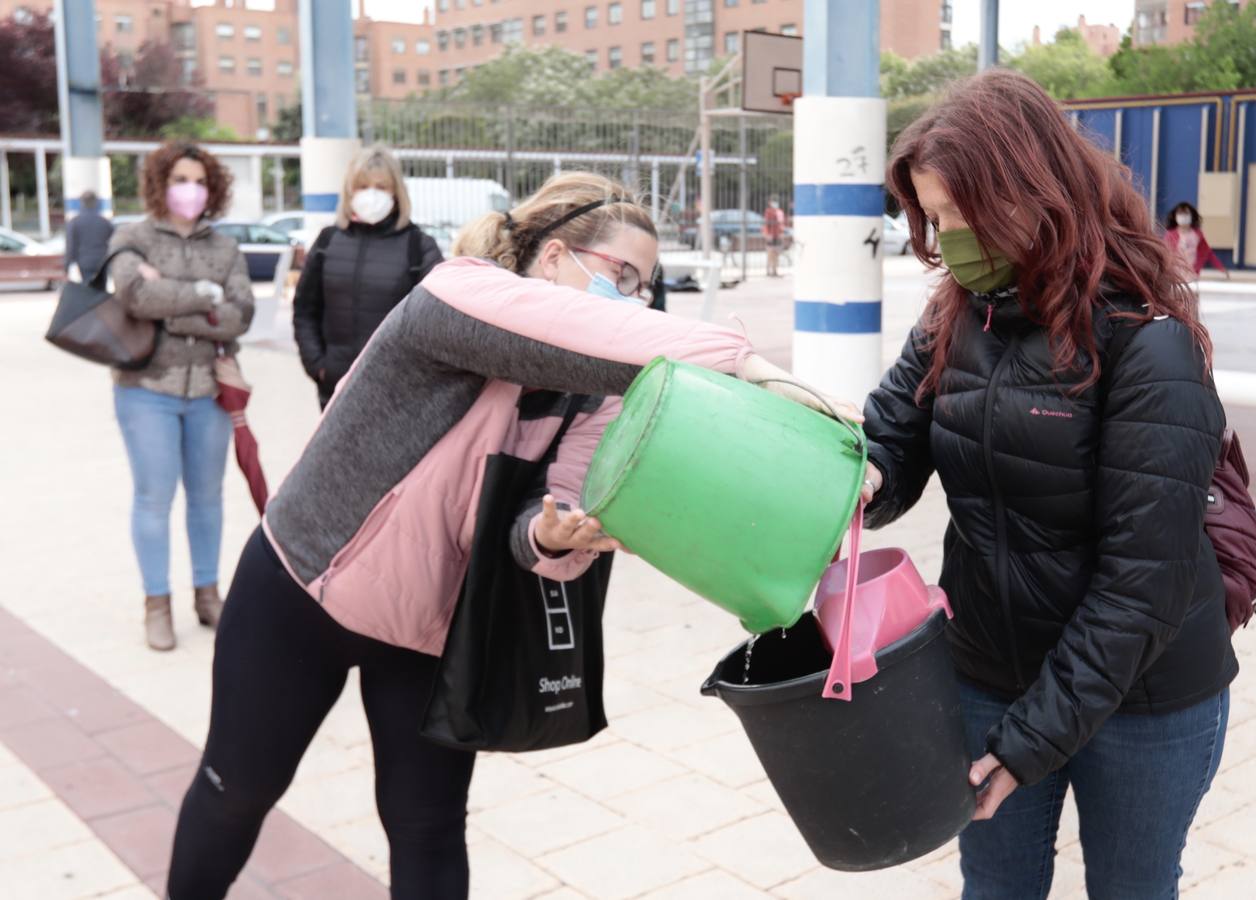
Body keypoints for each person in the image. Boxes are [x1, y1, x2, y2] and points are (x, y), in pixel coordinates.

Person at [166, 172, 834, 899]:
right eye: (619, 275)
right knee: (239, 788)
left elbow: (538, 529)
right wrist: (744, 362)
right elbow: (622, 341)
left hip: (427, 629)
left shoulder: (595, 394)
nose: (633, 301)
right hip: (299, 591)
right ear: (552, 258)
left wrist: (552, 540)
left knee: (426, 824)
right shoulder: (455, 296)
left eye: (644, 287)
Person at [861, 70, 1234, 898]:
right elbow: (885, 442)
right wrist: (849, 479)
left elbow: (1138, 590)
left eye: (966, 214)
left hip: (1144, 697)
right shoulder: (954, 317)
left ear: (1037, 193)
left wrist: (1029, 741)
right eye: (935, 217)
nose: (949, 238)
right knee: (995, 889)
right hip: (989, 672)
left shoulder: (1147, 347)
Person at [107, 142, 255, 651]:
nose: (188, 189)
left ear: (211, 188)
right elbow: (133, 295)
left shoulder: (226, 248)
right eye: (178, 179)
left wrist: (170, 298)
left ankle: (207, 594)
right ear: (159, 184)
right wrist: (204, 297)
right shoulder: (133, 237)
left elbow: (242, 314)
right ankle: (156, 603)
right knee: (153, 498)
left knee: (208, 498)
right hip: (147, 389)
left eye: (198, 180)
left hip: (211, 391)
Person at [293, 146, 443, 408]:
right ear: (350, 191)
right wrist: (317, 365)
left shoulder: (418, 246)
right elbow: (305, 310)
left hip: (398, 394)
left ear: (396, 192)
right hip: (336, 388)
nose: (371, 194)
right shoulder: (328, 241)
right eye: (362, 186)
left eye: (381, 186)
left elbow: (438, 318)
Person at [1164, 201, 1229, 280]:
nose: (1183, 216)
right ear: (1175, 216)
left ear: (1192, 216)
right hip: (1176, 275)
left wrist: (1221, 268)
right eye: (1180, 213)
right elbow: (1164, 253)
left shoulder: (1197, 235)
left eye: (1186, 213)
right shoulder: (1170, 235)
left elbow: (1208, 253)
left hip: (1193, 274)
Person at [65, 189, 113, 283]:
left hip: (84, 262)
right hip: (102, 261)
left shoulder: (75, 222)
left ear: (81, 202)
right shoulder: (104, 222)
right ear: (96, 202)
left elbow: (71, 246)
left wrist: (67, 265)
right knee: (101, 288)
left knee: (87, 288)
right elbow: (113, 241)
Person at [763, 194, 786, 277]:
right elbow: (766, 224)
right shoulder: (768, 212)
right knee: (770, 253)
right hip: (771, 235)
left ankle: (775, 270)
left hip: (778, 235)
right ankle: (769, 270)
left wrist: (781, 233)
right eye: (773, 201)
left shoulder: (780, 212)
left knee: (776, 253)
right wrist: (767, 234)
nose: (774, 203)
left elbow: (782, 224)